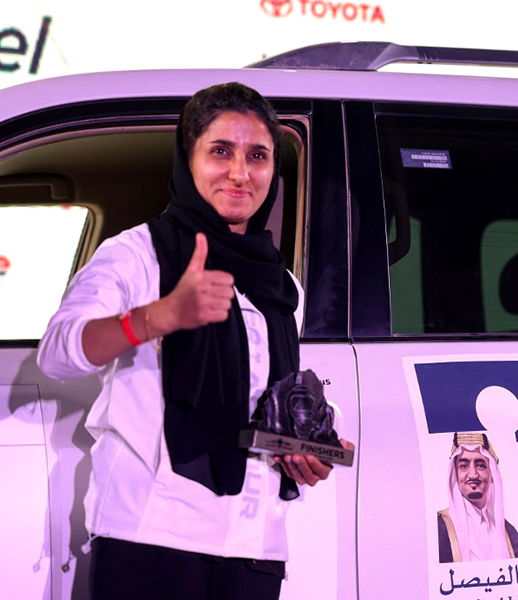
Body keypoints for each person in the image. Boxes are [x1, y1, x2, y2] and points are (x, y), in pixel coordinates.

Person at [38, 82, 347, 600]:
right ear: (188, 158)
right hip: (151, 536)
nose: (240, 173)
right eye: (220, 151)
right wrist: (156, 317)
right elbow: (58, 354)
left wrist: (306, 448)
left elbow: (266, 396)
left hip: (254, 544)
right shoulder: (137, 256)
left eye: (258, 156)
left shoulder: (280, 283)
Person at [437, 432, 518, 562]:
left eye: (480, 465)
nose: (472, 474)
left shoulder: (508, 532)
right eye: (463, 466)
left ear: (492, 474)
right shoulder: (440, 526)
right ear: (455, 474)